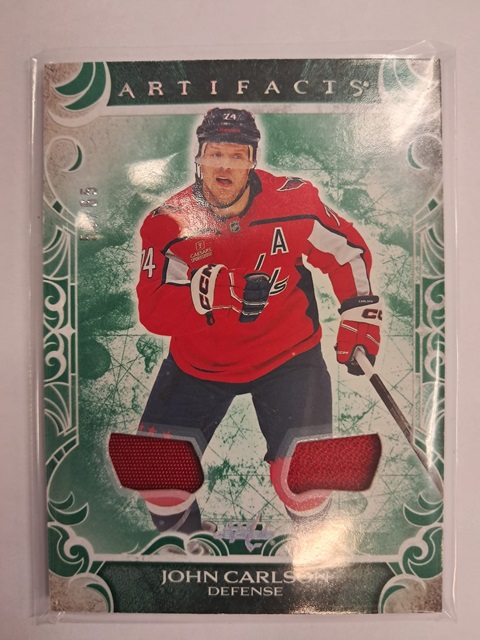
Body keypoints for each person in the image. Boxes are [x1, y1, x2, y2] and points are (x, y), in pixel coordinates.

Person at [126, 108, 382, 534]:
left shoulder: (294, 202)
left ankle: (313, 555)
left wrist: (359, 313)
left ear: (252, 161)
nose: (225, 165)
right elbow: (152, 309)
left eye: (237, 155)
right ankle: (186, 548)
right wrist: (206, 293)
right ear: (199, 158)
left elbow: (346, 252)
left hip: (289, 356)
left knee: (308, 481)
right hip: (200, 363)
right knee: (159, 479)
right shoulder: (168, 223)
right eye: (215, 153)